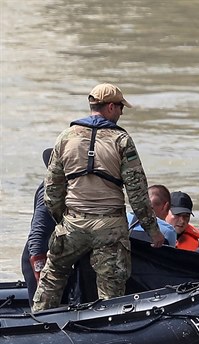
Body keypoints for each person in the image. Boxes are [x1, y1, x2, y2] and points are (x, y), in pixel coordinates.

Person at [32, 83, 164, 312]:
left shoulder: (65, 137)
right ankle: (109, 330)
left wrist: (64, 219)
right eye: (121, 107)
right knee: (111, 289)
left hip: (73, 223)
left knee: (52, 276)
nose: (122, 113)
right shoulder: (122, 141)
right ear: (111, 107)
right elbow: (138, 192)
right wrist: (153, 230)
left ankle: (39, 323)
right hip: (110, 228)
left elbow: (52, 190)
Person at [21, 148, 56, 305]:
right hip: (39, 251)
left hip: (56, 246)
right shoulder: (49, 189)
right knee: (41, 304)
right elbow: (38, 232)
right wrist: (38, 266)